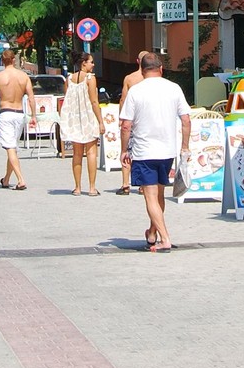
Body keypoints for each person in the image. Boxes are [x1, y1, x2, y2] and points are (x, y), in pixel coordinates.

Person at [118, 51, 191, 253]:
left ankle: (165, 238)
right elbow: (186, 120)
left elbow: (126, 125)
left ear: (141, 70)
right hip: (167, 151)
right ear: (161, 69)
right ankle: (152, 233)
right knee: (159, 195)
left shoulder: (136, 91)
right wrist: (184, 147)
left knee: (151, 198)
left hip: (144, 151)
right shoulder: (174, 88)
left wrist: (124, 150)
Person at [0, 48, 35, 190]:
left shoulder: (0, 77)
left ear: (2, 61)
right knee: (12, 148)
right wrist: (33, 115)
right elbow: (31, 98)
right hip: (19, 113)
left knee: (10, 148)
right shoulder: (23, 76)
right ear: (14, 60)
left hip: (6, 113)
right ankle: (6, 179)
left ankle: (21, 179)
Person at [60, 51, 102, 195]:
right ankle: (91, 187)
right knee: (91, 152)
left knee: (77, 154)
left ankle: (77, 187)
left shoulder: (69, 78)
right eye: (91, 62)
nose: (93, 64)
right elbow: (94, 101)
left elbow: (67, 98)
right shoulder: (90, 78)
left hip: (74, 119)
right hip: (88, 117)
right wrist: (100, 121)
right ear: (84, 63)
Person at [114, 51, 150, 195]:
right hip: (146, 120)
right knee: (143, 152)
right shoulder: (153, 80)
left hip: (131, 119)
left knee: (126, 150)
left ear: (137, 61)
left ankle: (125, 184)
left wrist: (121, 118)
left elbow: (123, 99)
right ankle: (142, 185)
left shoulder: (129, 78)